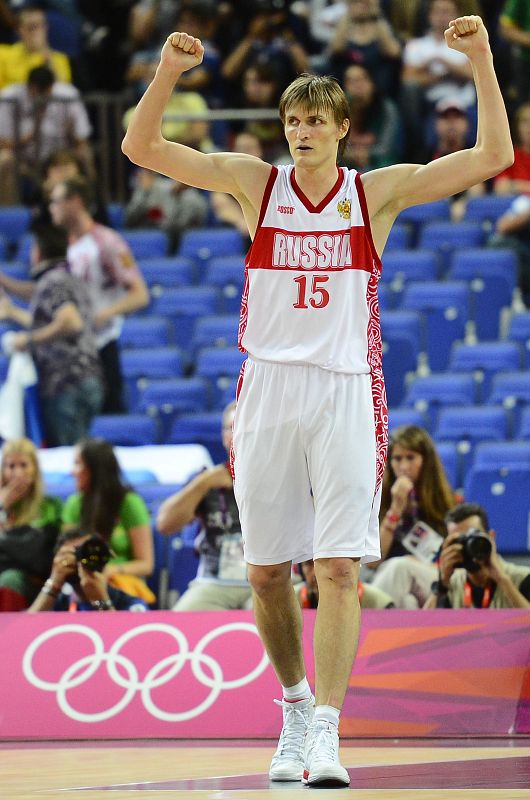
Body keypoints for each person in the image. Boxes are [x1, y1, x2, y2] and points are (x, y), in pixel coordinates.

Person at [121, 14, 512, 787]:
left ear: (341, 128)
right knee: (265, 572)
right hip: (267, 385)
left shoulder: (377, 194)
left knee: (336, 568)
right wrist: (166, 72)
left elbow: (493, 156)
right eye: (290, 120)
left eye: (313, 121)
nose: (299, 131)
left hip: (342, 388)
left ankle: (329, 733)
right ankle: (295, 707)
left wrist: (483, 60)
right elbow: (141, 147)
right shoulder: (252, 182)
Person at [49, 176, 150, 413]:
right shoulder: (62, 246)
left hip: (101, 347)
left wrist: (103, 314)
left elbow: (140, 294)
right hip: (72, 351)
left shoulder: (106, 242)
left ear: (75, 202)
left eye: (55, 201)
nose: (51, 208)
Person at [0, 223, 104, 447]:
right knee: (79, 451)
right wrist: (13, 310)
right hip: (87, 379)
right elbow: (48, 319)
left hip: (66, 382)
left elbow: (70, 323)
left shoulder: (53, 281)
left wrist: (27, 340)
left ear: (38, 251)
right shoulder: (70, 279)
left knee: (71, 457)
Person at [157, 401, 254, 610]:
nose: (238, 435)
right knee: (181, 621)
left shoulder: (279, 478)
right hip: (215, 582)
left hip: (268, 578)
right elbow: (165, 524)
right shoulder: (206, 480)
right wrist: (204, 483)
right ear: (223, 436)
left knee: (274, 617)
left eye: (245, 427)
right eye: (232, 428)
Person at [367, 425, 457, 609]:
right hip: (395, 581)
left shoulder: (446, 502)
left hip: (437, 577)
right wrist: (395, 509)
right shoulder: (379, 501)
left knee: (401, 567)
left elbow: (456, 557)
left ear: (425, 461)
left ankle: (367, 626)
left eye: (410, 458)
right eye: (397, 459)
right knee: (409, 602)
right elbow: (373, 562)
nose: (404, 466)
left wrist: (417, 563)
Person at [62, 437, 155, 604]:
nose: (72, 472)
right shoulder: (73, 504)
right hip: (82, 582)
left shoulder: (130, 504)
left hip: (122, 585)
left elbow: (146, 565)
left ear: (95, 469)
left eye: (77, 464)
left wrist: (110, 570)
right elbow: (66, 554)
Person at [0, 64, 94, 205]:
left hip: (59, 154)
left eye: (46, 91)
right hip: (23, 157)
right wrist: (30, 136)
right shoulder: (10, 96)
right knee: (5, 158)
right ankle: (11, 212)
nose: (42, 96)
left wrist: (72, 138)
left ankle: (93, 203)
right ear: (29, 86)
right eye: (37, 91)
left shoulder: (67, 95)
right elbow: (4, 142)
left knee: (85, 154)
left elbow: (81, 138)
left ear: (52, 86)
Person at [425, 502, 530, 609]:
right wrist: (442, 583)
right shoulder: (452, 584)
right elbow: (423, 624)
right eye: (460, 541)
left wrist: (502, 579)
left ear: (491, 537)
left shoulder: (523, 577)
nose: (467, 547)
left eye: (473, 538)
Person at [0, 437, 62, 610]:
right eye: (11, 466)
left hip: (36, 582)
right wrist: (1, 507)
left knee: (10, 578)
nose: (17, 473)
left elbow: (37, 555)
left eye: (23, 465)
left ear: (34, 469)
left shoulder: (50, 505)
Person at [28, 529, 148, 611]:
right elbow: (24, 635)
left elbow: (130, 642)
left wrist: (101, 602)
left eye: (88, 553)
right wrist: (54, 582)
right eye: (73, 554)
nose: (81, 561)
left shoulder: (130, 604)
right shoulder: (58, 604)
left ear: (105, 558)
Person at [0, 6, 71, 91]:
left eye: (40, 26)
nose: (36, 32)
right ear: (19, 30)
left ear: (46, 28)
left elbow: (63, 93)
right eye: (31, 27)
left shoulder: (59, 59)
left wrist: (47, 58)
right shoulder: (3, 53)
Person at [298, 558, 395, 609]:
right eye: (308, 564)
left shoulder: (380, 604)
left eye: (325, 564)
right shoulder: (293, 599)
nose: (316, 573)